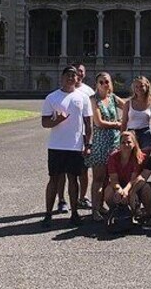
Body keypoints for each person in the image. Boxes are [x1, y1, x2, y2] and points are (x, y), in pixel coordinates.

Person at [40, 66, 92, 227]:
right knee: (54, 179)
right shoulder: (52, 98)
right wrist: (58, 120)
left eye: (73, 76)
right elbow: (45, 122)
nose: (71, 78)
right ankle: (48, 214)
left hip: (75, 145)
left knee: (73, 179)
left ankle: (74, 213)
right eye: (68, 75)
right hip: (56, 145)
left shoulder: (83, 98)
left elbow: (88, 124)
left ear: (77, 79)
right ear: (61, 78)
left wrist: (88, 144)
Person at [88, 71, 122, 221]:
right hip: (101, 144)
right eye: (101, 82)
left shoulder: (113, 98)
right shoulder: (94, 99)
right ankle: (95, 210)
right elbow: (98, 122)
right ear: (96, 84)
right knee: (98, 178)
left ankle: (102, 206)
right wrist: (119, 124)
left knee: (110, 178)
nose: (104, 84)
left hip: (115, 143)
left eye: (106, 81)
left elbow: (129, 106)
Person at [104, 131, 145, 218]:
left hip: (132, 185)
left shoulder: (138, 158)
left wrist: (125, 191)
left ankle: (135, 211)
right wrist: (119, 190)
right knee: (108, 192)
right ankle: (116, 211)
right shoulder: (113, 157)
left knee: (134, 194)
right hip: (119, 183)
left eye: (129, 142)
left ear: (134, 144)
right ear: (119, 144)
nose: (126, 145)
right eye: (123, 142)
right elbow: (114, 179)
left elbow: (133, 180)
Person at [121, 76, 151, 154]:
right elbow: (124, 122)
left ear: (147, 86)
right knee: (131, 158)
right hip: (131, 133)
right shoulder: (128, 103)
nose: (139, 88)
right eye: (136, 86)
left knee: (145, 159)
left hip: (145, 133)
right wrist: (121, 139)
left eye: (141, 86)